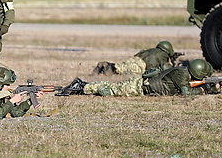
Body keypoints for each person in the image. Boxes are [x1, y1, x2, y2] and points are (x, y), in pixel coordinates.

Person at [57, 59, 219, 97]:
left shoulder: (183, 71)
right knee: (111, 91)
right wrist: (204, 91)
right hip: (142, 87)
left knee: (114, 88)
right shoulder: (182, 74)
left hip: (144, 84)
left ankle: (83, 85)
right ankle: (82, 87)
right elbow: (185, 93)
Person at [93, 40, 177, 75]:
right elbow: (166, 69)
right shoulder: (163, 55)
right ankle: (108, 67)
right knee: (121, 70)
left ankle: (106, 65)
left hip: (135, 59)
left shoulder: (152, 50)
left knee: (121, 66)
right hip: (141, 65)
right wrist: (174, 65)